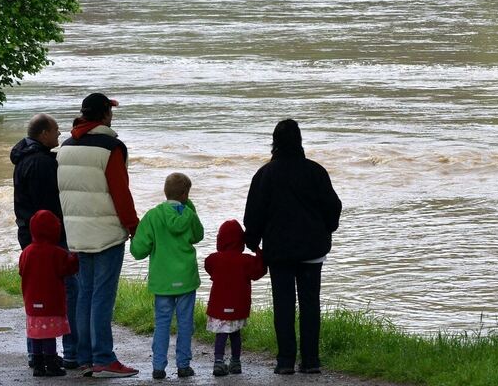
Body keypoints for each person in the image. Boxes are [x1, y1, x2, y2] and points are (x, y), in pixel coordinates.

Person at [243, 119, 342, 375]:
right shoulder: (316, 172)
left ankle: (285, 360)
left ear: (274, 143)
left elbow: (253, 214)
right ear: (299, 141)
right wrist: (326, 231)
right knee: (310, 304)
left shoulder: (265, 174)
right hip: (312, 249)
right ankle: (311, 361)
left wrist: (252, 242)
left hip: (279, 252)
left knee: (283, 304)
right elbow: (333, 207)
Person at [56, 92, 140, 378]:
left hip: (76, 232)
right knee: (102, 296)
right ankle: (104, 357)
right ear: (105, 115)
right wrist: (132, 225)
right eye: (110, 111)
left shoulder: (65, 147)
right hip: (106, 233)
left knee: (84, 295)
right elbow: (120, 191)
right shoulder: (111, 147)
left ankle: (85, 358)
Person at [11, 113, 79, 368]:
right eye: (56, 131)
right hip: (45, 238)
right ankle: (67, 352)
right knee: (65, 291)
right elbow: (49, 205)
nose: (59, 136)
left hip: (28, 235)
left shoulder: (23, 159)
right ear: (43, 134)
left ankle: (36, 353)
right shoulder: (42, 163)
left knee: (35, 295)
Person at [130, 172, 204, 380]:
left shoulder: (153, 216)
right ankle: (183, 365)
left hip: (162, 280)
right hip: (186, 278)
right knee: (185, 323)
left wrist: (133, 238)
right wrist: (190, 209)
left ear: (165, 192)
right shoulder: (188, 213)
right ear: (185, 194)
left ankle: (158, 367)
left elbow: (139, 252)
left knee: (162, 322)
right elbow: (198, 236)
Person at [19, 210, 79, 378]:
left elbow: (21, 270)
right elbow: (69, 268)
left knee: (37, 334)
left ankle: (38, 365)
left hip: (32, 303)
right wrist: (75, 255)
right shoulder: (57, 253)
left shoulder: (27, 252)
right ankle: (51, 363)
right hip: (51, 303)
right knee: (48, 335)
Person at [204, 219, 266, 376]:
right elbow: (259, 270)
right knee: (235, 333)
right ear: (241, 240)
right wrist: (259, 251)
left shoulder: (214, 259)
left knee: (221, 333)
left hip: (219, 306)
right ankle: (236, 362)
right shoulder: (246, 261)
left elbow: (208, 266)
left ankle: (218, 361)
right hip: (239, 306)